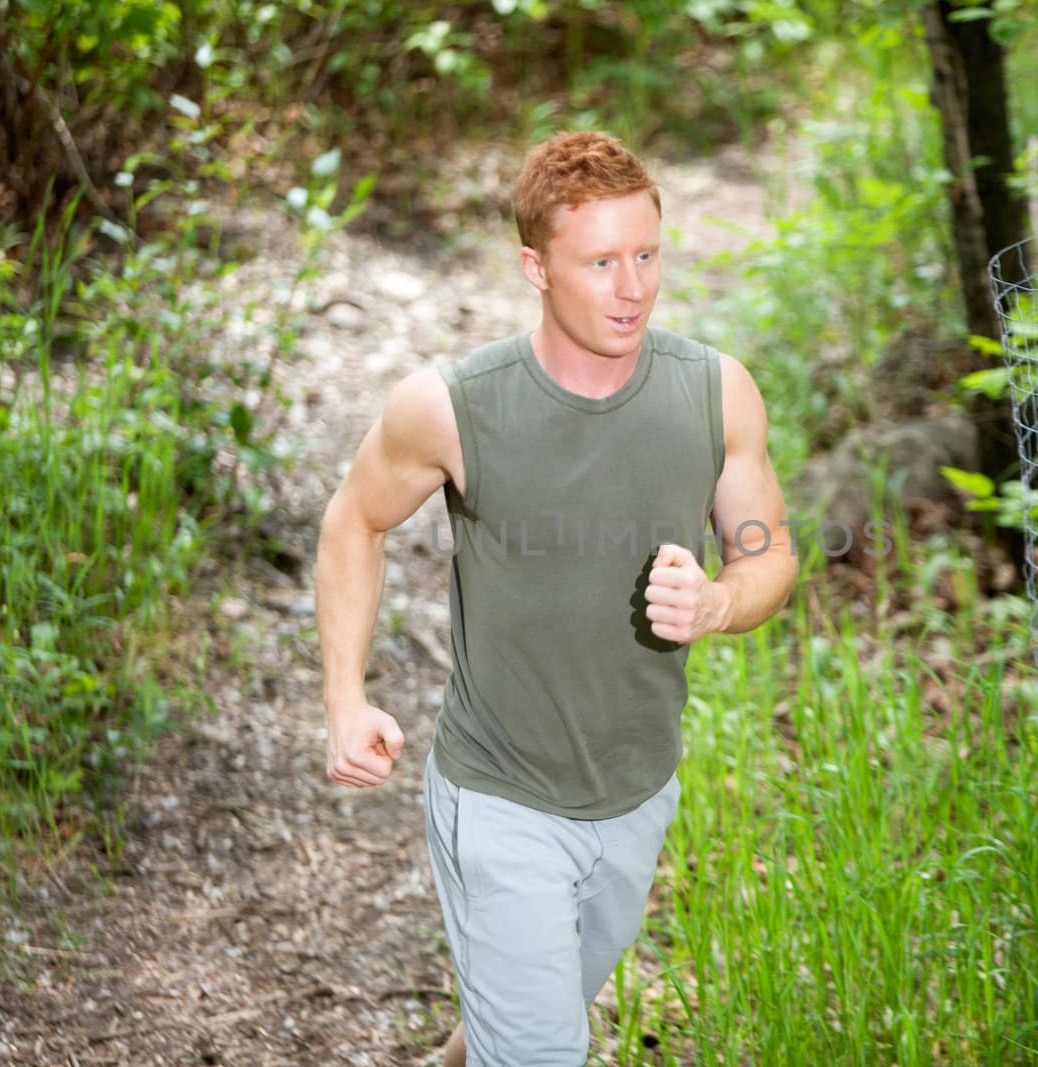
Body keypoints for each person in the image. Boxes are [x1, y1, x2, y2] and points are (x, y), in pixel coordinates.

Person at [313, 130, 797, 1066]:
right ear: (535, 267)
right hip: (500, 798)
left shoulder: (715, 393)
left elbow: (768, 554)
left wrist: (720, 603)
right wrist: (344, 698)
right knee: (541, 1050)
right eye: (602, 262)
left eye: (647, 254)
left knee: (522, 1022)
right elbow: (352, 522)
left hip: (636, 791)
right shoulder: (452, 407)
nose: (634, 287)